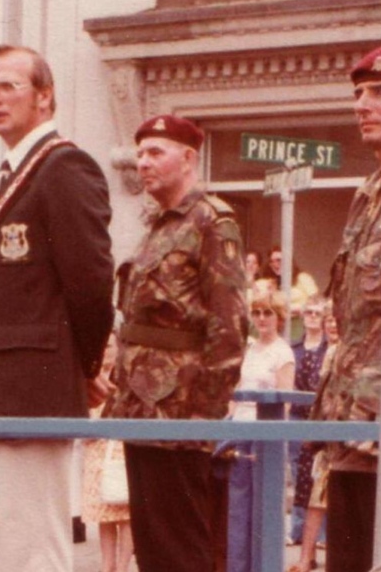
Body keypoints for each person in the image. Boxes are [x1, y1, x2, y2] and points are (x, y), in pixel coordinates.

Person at [0, 44, 114, 572]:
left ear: (45, 98)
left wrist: (84, 366)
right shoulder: (13, 174)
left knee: (34, 549)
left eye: (9, 87)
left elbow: (90, 285)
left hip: (32, 385)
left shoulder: (63, 167)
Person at [102, 114, 247, 572]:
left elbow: (228, 323)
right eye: (140, 153)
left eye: (156, 152)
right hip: (142, 407)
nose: (143, 163)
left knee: (181, 545)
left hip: (180, 412)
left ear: (188, 158)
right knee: (154, 545)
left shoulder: (211, 221)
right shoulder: (158, 225)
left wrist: (204, 415)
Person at [309, 43, 381, 572]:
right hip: (350, 426)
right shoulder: (366, 194)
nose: (363, 104)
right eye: (358, 93)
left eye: (380, 92)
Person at [228, 289, 294, 572]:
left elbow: (286, 402)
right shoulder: (250, 349)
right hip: (239, 429)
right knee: (237, 510)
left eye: (267, 312)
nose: (261, 318)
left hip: (264, 435)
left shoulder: (283, 353)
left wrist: (268, 440)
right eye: (256, 312)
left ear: (279, 317)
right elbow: (236, 389)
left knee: (263, 511)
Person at [82, 333, 134, 572]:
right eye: (103, 346)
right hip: (95, 450)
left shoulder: (124, 376)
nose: (107, 351)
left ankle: (122, 566)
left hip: (119, 449)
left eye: (111, 346)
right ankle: (107, 565)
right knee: (103, 514)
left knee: (124, 513)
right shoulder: (89, 376)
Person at [287, 296, 329, 548]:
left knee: (319, 476)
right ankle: (297, 530)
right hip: (296, 417)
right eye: (309, 313)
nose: (312, 317)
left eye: (317, 313)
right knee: (297, 473)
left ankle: (321, 535)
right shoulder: (294, 349)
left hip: (320, 418)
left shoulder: (329, 349)